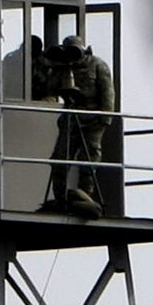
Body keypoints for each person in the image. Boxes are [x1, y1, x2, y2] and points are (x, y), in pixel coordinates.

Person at [45, 30, 118, 217]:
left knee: (89, 159)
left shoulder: (98, 65)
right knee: (60, 157)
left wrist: (105, 118)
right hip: (71, 116)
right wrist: (58, 68)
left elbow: (107, 93)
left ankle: (85, 196)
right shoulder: (63, 67)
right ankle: (60, 197)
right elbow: (51, 89)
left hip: (93, 117)